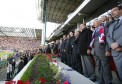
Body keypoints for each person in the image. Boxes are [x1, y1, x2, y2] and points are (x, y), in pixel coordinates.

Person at [90, 19, 112, 84]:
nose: (93, 24)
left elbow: (108, 39)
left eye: (94, 22)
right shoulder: (94, 31)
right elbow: (93, 41)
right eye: (93, 22)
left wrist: (107, 50)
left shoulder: (104, 28)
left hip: (102, 51)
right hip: (95, 51)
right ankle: (101, 81)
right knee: (99, 67)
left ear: (99, 22)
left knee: (106, 67)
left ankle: (108, 82)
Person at [106, 6, 122, 81]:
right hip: (115, 52)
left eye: (114, 10)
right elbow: (108, 36)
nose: (112, 12)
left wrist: (118, 43)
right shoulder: (111, 24)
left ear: (121, 10)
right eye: (111, 11)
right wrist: (112, 45)